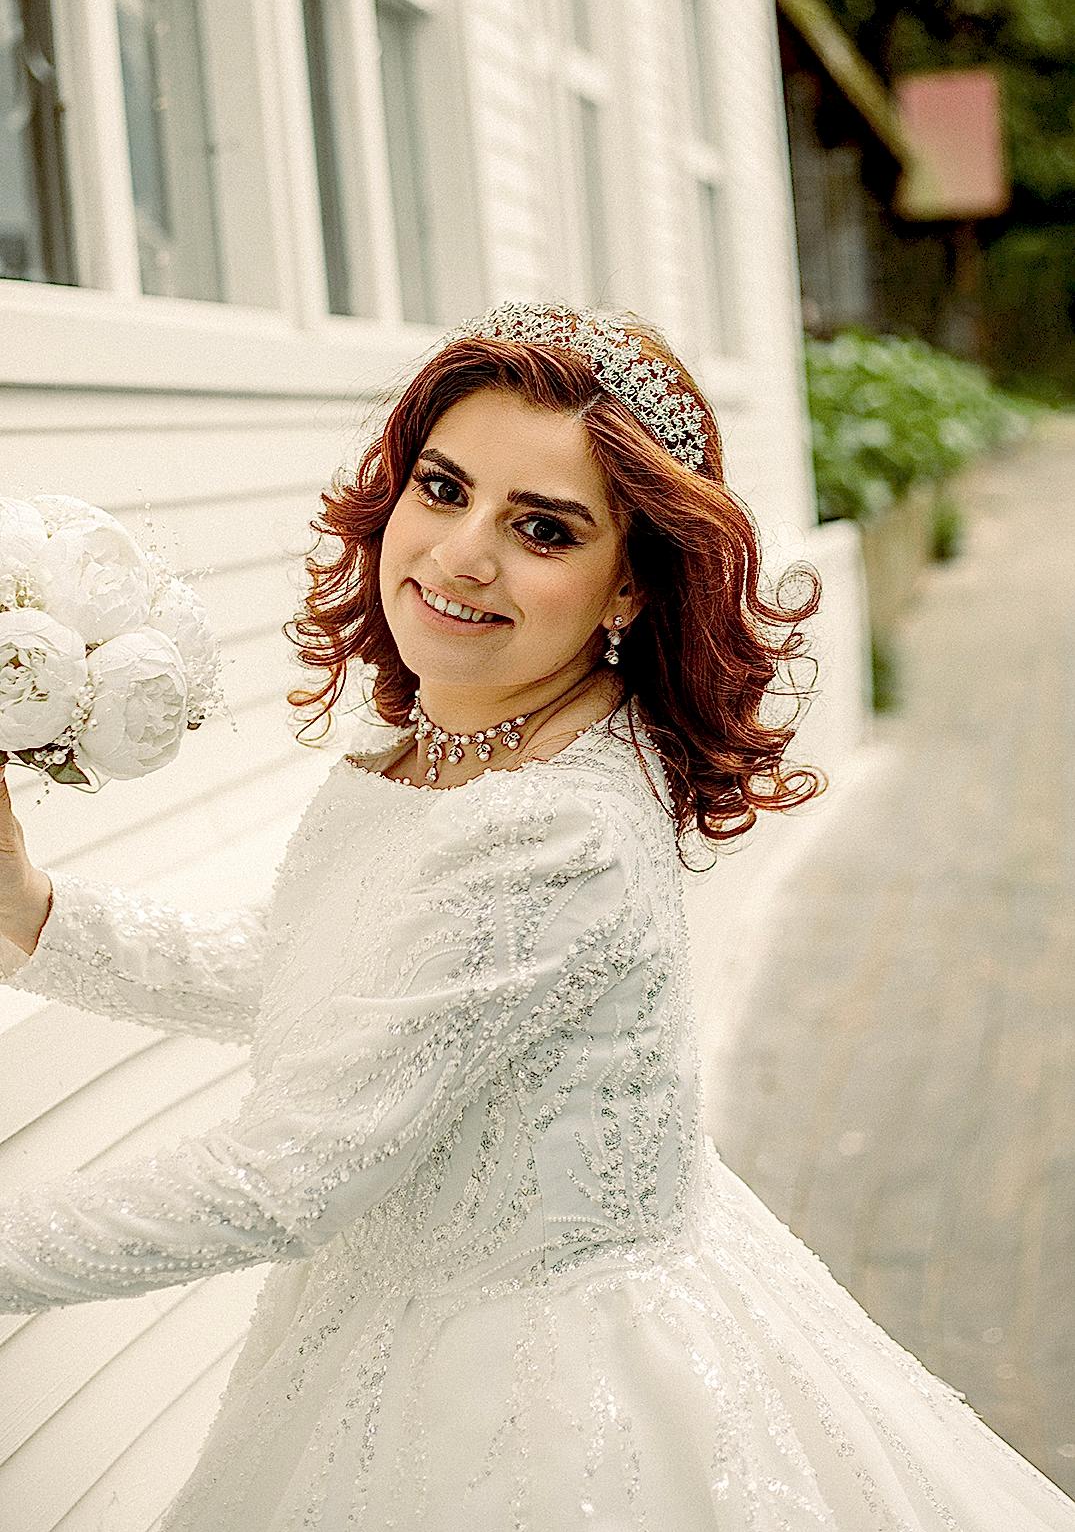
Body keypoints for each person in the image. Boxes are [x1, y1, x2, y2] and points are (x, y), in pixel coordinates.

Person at [1, 299, 1072, 1531]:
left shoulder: (550, 830)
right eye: (443, 488)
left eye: (543, 528)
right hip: (393, 1325)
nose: (462, 554)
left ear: (629, 584)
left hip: (530, 1402)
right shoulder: (446, 739)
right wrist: (35, 911)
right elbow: (312, 972)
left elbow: (282, 1179)